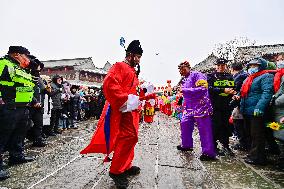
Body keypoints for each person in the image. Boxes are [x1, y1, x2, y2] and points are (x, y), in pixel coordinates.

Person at [81, 40, 146, 188]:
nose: (139, 60)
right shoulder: (119, 66)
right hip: (123, 109)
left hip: (132, 110)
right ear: (130, 55)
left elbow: (133, 90)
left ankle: (126, 165)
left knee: (132, 138)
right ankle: (116, 170)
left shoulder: (132, 71)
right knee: (127, 137)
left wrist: (142, 95)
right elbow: (109, 84)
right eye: (137, 56)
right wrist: (126, 100)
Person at [0, 46, 35, 180]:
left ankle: (16, 156)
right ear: (16, 54)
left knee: (19, 134)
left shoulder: (21, 69)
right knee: (2, 135)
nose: (27, 59)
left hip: (22, 107)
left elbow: (28, 86)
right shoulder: (4, 63)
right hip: (8, 106)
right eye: (25, 55)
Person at [177, 61, 216, 160]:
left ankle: (208, 152)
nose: (181, 71)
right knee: (184, 123)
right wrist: (181, 108)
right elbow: (185, 97)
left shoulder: (198, 75)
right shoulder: (184, 80)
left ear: (188, 67)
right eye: (180, 70)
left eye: (183, 69)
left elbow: (203, 88)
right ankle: (186, 145)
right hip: (189, 107)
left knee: (204, 129)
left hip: (201, 105)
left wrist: (185, 90)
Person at [239, 58, 274, 165]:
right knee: (250, 133)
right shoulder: (248, 79)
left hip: (257, 111)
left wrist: (260, 107)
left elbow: (267, 93)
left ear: (261, 66)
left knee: (257, 134)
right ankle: (253, 154)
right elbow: (244, 93)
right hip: (247, 110)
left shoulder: (266, 76)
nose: (252, 68)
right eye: (250, 66)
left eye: (255, 66)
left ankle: (258, 158)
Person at [207, 58, 236, 156]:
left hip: (226, 106)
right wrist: (223, 90)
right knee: (215, 126)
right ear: (216, 66)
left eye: (222, 65)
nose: (220, 67)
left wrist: (233, 94)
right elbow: (209, 89)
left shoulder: (229, 76)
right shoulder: (211, 76)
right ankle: (213, 146)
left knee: (226, 126)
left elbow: (233, 87)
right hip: (214, 105)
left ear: (225, 66)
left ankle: (226, 145)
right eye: (218, 65)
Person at [229, 62, 249, 151]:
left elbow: (236, 90)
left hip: (240, 103)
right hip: (244, 102)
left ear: (232, 69)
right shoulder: (246, 75)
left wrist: (230, 104)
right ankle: (244, 142)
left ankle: (243, 143)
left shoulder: (239, 77)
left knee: (238, 121)